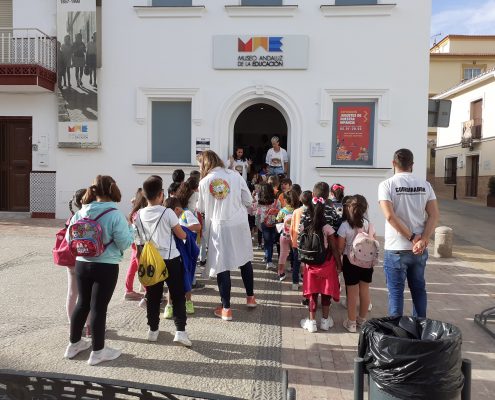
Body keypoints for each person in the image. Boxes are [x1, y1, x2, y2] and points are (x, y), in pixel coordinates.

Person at [64, 175, 133, 365]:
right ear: (112, 189)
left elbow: (70, 240)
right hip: (106, 265)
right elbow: (124, 243)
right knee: (98, 308)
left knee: (82, 303)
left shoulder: (82, 212)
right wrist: (132, 231)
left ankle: (74, 344)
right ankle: (98, 351)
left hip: (81, 263)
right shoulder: (114, 214)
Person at [378, 148, 439, 318]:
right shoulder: (425, 185)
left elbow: (390, 216)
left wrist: (412, 237)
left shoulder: (387, 185)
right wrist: (423, 240)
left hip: (396, 247)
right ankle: (420, 330)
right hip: (418, 249)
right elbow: (434, 214)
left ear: (393, 164)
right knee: (419, 290)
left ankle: (396, 336)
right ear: (412, 165)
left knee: (396, 293)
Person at [196, 150, 256, 321]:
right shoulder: (235, 175)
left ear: (205, 164)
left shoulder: (204, 181)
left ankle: (226, 308)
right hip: (238, 222)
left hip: (219, 225)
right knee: (244, 259)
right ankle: (250, 297)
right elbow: (248, 200)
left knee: (222, 265)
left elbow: (200, 208)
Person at [134, 176, 192, 346]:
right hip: (170, 259)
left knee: (152, 297)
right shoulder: (167, 212)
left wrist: (140, 260)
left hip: (151, 260)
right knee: (177, 295)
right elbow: (181, 235)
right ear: (161, 194)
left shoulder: (139, 214)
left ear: (145, 195)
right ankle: (180, 331)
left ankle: (153, 330)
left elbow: (138, 241)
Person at [300, 182, 342, 333]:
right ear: (327, 195)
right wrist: (339, 264)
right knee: (325, 290)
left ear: (313, 194)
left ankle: (311, 322)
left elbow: (301, 230)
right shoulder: (331, 210)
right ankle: (325, 321)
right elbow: (336, 229)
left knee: (312, 292)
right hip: (327, 260)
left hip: (310, 261)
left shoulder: (306, 211)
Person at [163, 183, 202, 318]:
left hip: (185, 252)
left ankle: (189, 302)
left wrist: (182, 230)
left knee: (187, 277)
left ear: (178, 209)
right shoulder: (168, 217)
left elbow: (197, 226)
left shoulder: (186, 214)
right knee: (171, 281)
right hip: (172, 254)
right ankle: (169, 305)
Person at [337, 195, 375, 333]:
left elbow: (340, 248)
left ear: (349, 208)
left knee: (352, 294)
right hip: (367, 263)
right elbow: (373, 243)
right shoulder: (368, 224)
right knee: (365, 291)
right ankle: (362, 320)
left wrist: (338, 263)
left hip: (350, 262)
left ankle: (351, 323)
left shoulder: (344, 226)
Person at [65, 189, 88, 329]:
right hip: (82, 258)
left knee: (72, 292)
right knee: (86, 295)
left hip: (70, 258)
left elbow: (69, 239)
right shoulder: (85, 216)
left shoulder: (73, 217)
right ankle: (88, 324)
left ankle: (71, 323)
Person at [124, 188, 147, 301]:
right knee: (143, 268)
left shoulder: (133, 212)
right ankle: (148, 292)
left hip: (135, 243)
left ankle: (128, 290)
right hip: (141, 244)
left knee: (133, 267)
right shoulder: (142, 213)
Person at [254, 183, 280, 271]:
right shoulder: (276, 201)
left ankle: (266, 257)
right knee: (270, 243)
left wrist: (259, 225)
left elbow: (256, 214)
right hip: (273, 223)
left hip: (263, 223)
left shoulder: (259, 201)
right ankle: (269, 261)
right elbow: (280, 212)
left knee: (266, 242)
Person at [289, 190, 312, 291]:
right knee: (308, 264)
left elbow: (292, 227)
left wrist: (292, 239)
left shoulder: (296, 211)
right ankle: (308, 283)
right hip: (309, 242)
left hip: (296, 241)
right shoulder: (313, 211)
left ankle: (295, 283)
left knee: (296, 263)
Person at [276, 189, 300, 281]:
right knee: (297, 254)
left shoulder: (283, 210)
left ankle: (280, 272)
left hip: (285, 235)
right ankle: (300, 273)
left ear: (285, 200)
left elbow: (278, 220)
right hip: (295, 236)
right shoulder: (297, 210)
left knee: (283, 254)